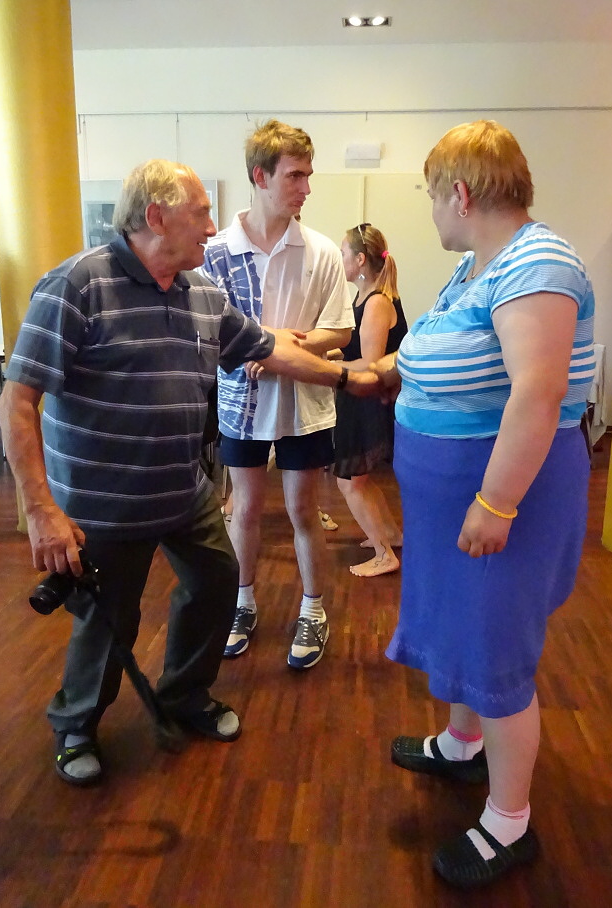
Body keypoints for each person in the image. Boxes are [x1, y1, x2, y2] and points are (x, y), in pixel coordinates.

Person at [0, 159, 378, 787]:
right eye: (200, 214)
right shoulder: (76, 286)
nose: (210, 226)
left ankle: (184, 694)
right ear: (155, 217)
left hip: (183, 490)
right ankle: (76, 725)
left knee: (217, 580)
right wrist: (40, 510)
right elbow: (17, 400)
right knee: (111, 619)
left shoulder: (201, 292)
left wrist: (347, 377)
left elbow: (268, 348)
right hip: (104, 502)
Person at [372, 121, 595, 887]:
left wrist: (495, 504)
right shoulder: (479, 265)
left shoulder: (538, 262)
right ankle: (460, 746)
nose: (432, 208)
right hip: (453, 495)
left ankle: (507, 823)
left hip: (504, 495)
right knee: (459, 628)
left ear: (460, 194)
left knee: (494, 652)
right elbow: (451, 354)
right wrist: (378, 371)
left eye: (432, 194)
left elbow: (537, 393)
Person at [202, 120, 355, 669]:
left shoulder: (320, 250)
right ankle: (242, 602)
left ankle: (313, 609)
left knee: (302, 509)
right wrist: (265, 346)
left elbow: (341, 330)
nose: (306, 188)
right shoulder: (215, 253)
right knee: (242, 508)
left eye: (308, 175)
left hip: (305, 402)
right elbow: (209, 330)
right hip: (239, 404)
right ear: (259, 176)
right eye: (295, 175)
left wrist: (275, 346)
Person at [335, 224, 407, 576]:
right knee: (360, 479)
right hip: (362, 402)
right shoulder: (365, 298)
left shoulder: (377, 302)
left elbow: (371, 363)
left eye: (343, 253)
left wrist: (324, 367)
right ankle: (390, 535)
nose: (340, 259)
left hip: (368, 404)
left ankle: (384, 555)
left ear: (360, 259)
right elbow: (356, 352)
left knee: (349, 482)